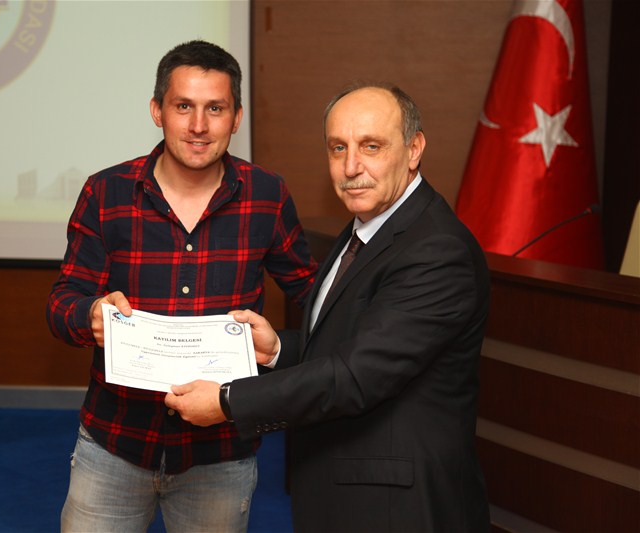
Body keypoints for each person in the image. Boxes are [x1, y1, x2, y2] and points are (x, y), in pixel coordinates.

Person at [164, 82, 492, 532]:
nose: (351, 167)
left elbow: (356, 376)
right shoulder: (367, 227)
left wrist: (228, 401)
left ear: (414, 149)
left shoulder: (436, 250)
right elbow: (348, 345)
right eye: (338, 148)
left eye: (371, 146)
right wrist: (278, 349)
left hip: (397, 507)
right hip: (348, 489)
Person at [46, 40, 316, 532]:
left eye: (215, 108)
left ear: (236, 118)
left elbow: (315, 295)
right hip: (115, 442)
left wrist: (283, 347)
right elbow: (61, 303)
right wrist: (89, 315)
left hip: (221, 451)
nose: (198, 126)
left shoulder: (267, 195)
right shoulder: (106, 192)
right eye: (183, 106)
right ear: (157, 111)